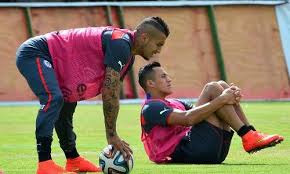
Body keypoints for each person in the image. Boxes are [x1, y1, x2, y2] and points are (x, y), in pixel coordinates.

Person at [16, 16, 170, 173]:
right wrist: (112, 135)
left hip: (56, 60)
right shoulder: (121, 44)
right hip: (36, 52)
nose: (158, 50)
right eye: (158, 44)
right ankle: (44, 163)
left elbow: (111, 90)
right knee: (53, 98)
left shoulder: (127, 56)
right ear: (144, 37)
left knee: (66, 104)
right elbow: (110, 92)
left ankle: (73, 160)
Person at [138, 62, 284, 164]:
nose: (169, 79)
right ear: (151, 83)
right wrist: (222, 98)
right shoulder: (150, 108)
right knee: (213, 88)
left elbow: (201, 111)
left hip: (207, 149)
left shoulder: (175, 102)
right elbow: (189, 119)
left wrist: (230, 97)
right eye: (163, 77)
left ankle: (251, 134)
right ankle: (247, 135)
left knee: (221, 86)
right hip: (190, 151)